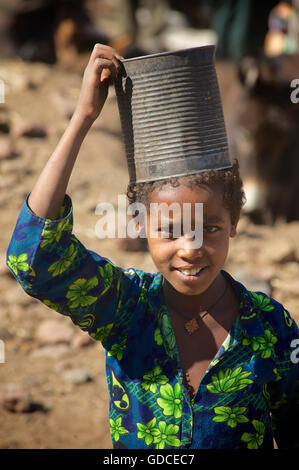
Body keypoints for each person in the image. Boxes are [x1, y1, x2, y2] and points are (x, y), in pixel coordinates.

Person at [6, 44, 299, 449]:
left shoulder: (270, 328)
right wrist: (83, 117)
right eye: (171, 230)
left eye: (209, 227)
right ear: (142, 226)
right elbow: (33, 256)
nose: (191, 247)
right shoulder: (126, 309)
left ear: (235, 222)